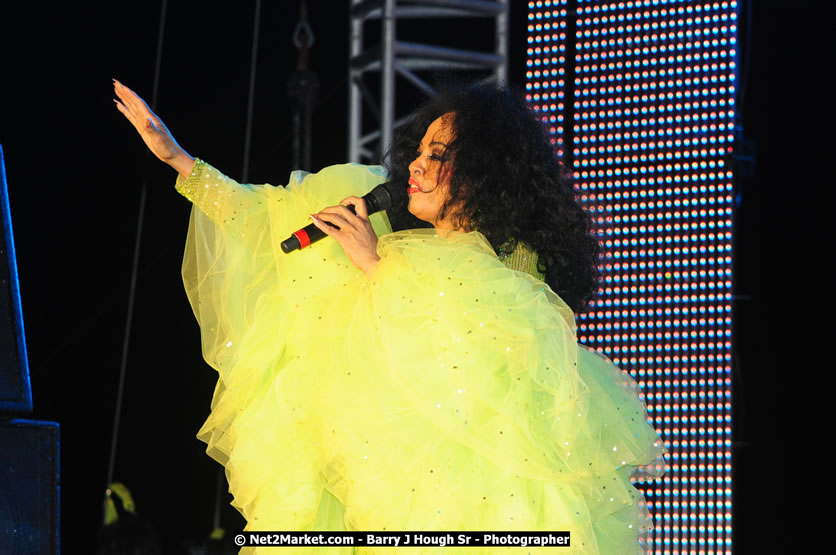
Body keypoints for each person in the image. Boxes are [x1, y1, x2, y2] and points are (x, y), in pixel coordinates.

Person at [114, 79, 665, 554]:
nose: (418, 166)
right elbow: (265, 218)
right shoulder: (398, 244)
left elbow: (497, 374)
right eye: (420, 151)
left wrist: (376, 269)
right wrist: (180, 162)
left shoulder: (510, 259)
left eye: (439, 156)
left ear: (483, 170)